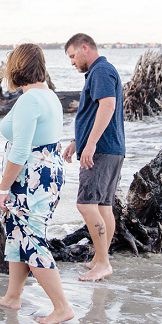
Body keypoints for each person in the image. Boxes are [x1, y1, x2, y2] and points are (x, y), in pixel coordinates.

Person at [0, 43, 75, 324]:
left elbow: (21, 151)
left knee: (32, 238)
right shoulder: (46, 95)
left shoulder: (30, 100)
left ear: (16, 66)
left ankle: (62, 307)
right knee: (16, 234)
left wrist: (2, 188)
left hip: (32, 177)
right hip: (46, 172)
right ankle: (13, 296)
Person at [64, 33, 125, 282]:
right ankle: (101, 259)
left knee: (86, 205)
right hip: (111, 148)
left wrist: (89, 145)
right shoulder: (101, 70)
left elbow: (107, 106)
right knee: (103, 206)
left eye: (72, 56)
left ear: (85, 48)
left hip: (101, 150)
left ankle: (104, 262)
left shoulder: (100, 71)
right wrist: (78, 141)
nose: (71, 62)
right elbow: (95, 113)